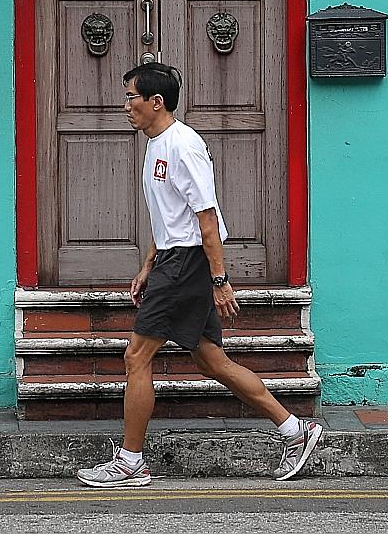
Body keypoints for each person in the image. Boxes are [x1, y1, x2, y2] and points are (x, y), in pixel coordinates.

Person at [75, 62, 323, 488]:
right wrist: (149, 264)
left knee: (136, 357)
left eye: (131, 96)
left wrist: (220, 280)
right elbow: (170, 216)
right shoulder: (156, 143)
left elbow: (206, 218)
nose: (125, 104)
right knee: (211, 361)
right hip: (175, 259)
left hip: (188, 263)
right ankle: (295, 431)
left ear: (156, 102)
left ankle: (130, 461)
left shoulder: (183, 145)